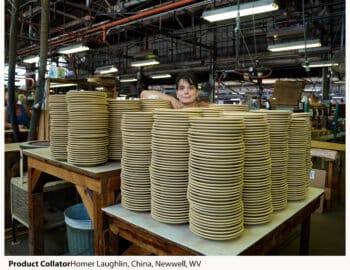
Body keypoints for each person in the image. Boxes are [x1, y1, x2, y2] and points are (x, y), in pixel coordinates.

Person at [141, 72, 210, 109]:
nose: (186, 92)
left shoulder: (204, 107)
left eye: (190, 88)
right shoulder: (172, 107)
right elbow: (144, 94)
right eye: (181, 88)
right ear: (177, 93)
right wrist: (171, 99)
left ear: (197, 92)